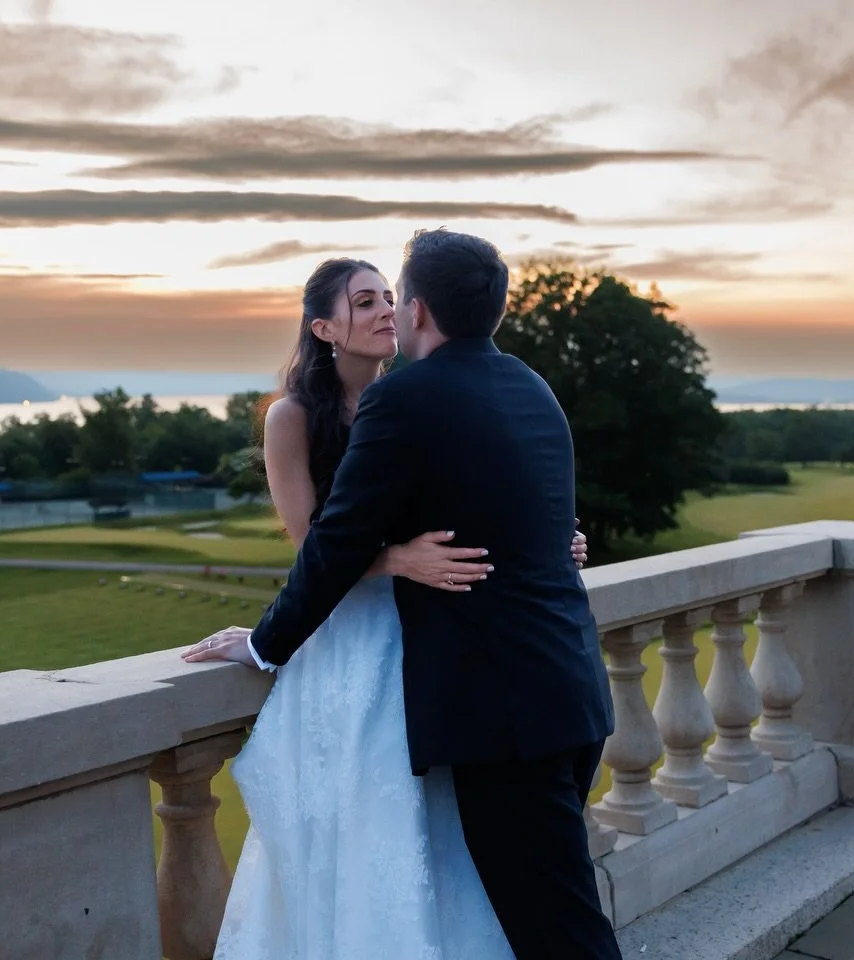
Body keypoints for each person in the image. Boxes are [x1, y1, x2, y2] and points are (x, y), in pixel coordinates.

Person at [184, 230, 620, 960]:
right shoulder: (526, 384)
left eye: (391, 295)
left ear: (417, 311)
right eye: (365, 299)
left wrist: (262, 644)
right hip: (560, 687)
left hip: (503, 705)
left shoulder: (406, 398)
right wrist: (410, 559)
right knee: (516, 902)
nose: (386, 308)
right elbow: (330, 537)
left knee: (558, 930)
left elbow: (341, 542)